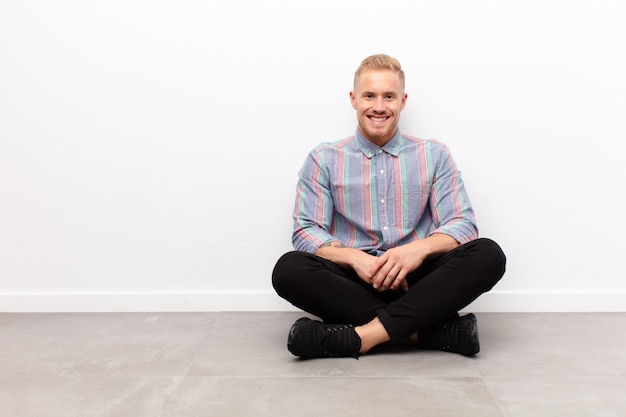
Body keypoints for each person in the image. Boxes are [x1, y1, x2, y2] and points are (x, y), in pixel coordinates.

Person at [272, 54, 506, 359]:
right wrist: (355, 259)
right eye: (369, 95)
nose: (379, 106)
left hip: (418, 280)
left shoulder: (433, 154)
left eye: (389, 96)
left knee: (488, 254)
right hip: (354, 281)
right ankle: (427, 331)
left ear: (403, 101)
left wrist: (416, 251)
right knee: (289, 269)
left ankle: (362, 337)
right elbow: (305, 231)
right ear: (354, 99)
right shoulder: (324, 158)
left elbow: (463, 224)